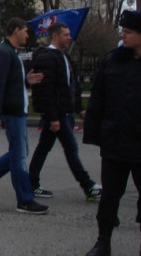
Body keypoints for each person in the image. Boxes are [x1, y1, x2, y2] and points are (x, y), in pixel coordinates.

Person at [0, 18, 48, 214]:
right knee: (19, 155)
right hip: (12, 112)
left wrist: (26, 81)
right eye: (25, 31)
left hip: (16, 111)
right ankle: (24, 199)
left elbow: (10, 82)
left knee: (18, 153)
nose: (27, 35)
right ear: (15, 30)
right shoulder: (4, 53)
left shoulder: (10, 52)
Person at [83, 10, 141, 256]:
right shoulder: (112, 61)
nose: (122, 35)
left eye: (128, 32)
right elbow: (98, 99)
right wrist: (95, 133)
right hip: (115, 143)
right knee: (109, 198)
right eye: (122, 31)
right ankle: (103, 242)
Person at [28, 22, 101, 202]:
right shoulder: (47, 58)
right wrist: (53, 118)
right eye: (66, 34)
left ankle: (31, 183)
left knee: (44, 148)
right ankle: (88, 186)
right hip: (57, 113)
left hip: (64, 112)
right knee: (70, 148)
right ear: (55, 36)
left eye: (69, 34)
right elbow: (47, 91)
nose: (70, 37)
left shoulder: (64, 57)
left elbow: (70, 86)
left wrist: (80, 108)